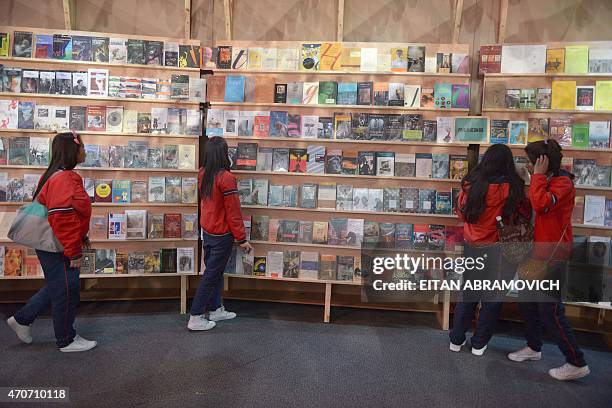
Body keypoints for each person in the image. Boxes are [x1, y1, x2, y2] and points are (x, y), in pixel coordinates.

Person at [507, 140, 590, 381]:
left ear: (542, 162)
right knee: (526, 302)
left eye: (529, 162)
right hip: (534, 254)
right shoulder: (545, 180)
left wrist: (537, 177)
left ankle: (577, 362)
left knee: (551, 311)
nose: (527, 166)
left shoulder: (562, 183)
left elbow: (541, 205)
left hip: (552, 257)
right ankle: (533, 348)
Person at [7, 132, 96, 352]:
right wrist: (74, 251)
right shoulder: (64, 178)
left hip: (54, 243)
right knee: (67, 289)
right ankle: (66, 340)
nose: (84, 151)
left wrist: (80, 238)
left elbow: (66, 213)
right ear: (72, 150)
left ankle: (22, 319)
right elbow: (62, 216)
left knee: (59, 286)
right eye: (82, 147)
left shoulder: (54, 175)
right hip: (59, 245)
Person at [449, 144, 529, 355]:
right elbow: (522, 216)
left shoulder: (470, 184)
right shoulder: (513, 188)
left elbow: (462, 214)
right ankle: (479, 344)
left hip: (472, 245)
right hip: (499, 249)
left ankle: (456, 340)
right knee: (492, 298)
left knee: (469, 293)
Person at [188, 137, 252, 331]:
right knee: (211, 275)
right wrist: (242, 239)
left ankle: (216, 309)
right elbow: (233, 212)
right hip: (221, 235)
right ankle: (196, 316)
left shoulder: (203, 173)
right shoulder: (226, 178)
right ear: (224, 154)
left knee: (214, 274)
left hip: (207, 232)